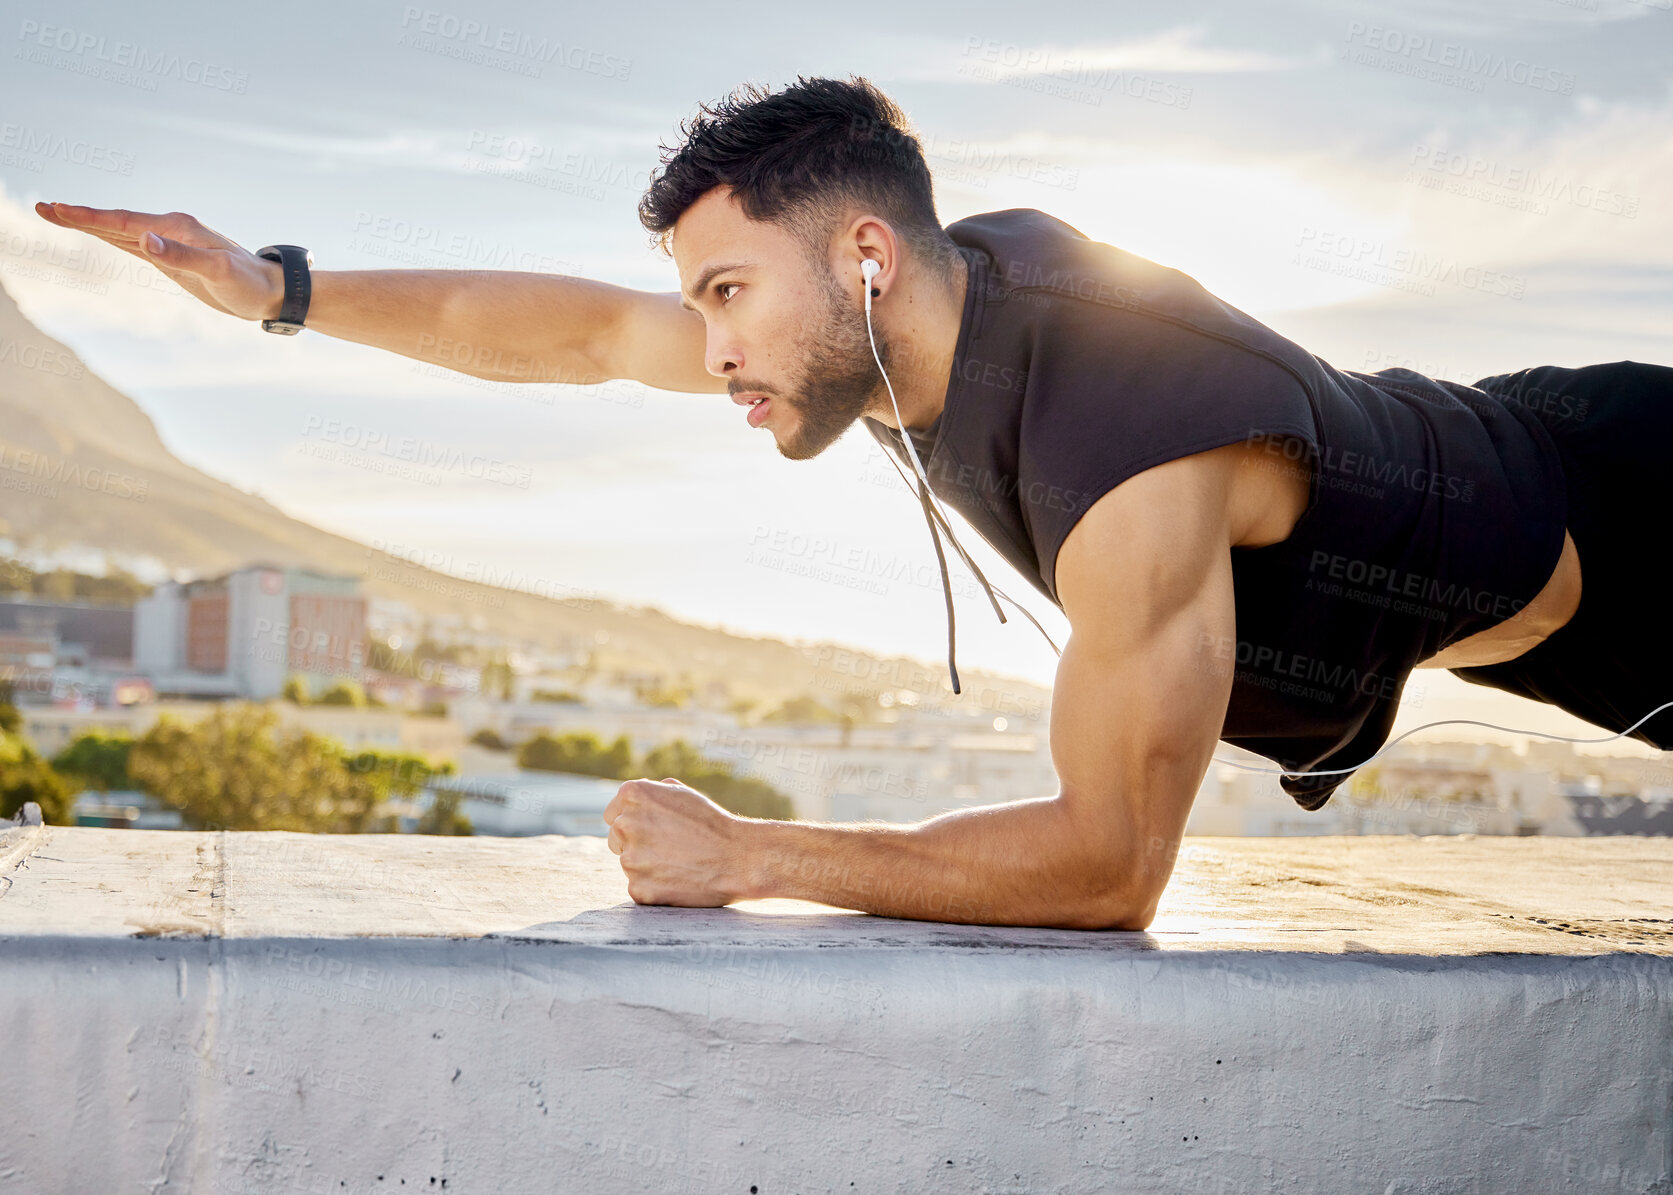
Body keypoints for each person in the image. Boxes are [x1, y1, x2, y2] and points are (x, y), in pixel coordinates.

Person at [36, 74, 1669, 932]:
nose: (710, 346)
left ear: (864, 256)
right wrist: (276, 291)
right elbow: (586, 331)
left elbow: (1106, 868)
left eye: (730, 293)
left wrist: (749, 856)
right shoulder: (901, 322)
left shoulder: (1129, 454)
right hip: (1558, 555)